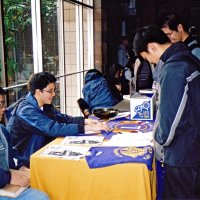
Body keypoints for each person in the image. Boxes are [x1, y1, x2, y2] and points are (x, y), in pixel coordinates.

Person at [133, 25, 200, 199]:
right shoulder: (185, 58)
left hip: (182, 154)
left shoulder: (173, 69)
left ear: (151, 47)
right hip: (190, 147)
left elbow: (170, 121)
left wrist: (157, 139)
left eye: (148, 58)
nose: (152, 63)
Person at [6, 72, 109, 167]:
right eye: (50, 91)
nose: (54, 94)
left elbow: (61, 118)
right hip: (24, 160)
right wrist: (88, 128)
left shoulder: (45, 104)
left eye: (54, 90)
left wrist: (85, 121)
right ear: (38, 92)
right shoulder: (26, 111)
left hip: (41, 148)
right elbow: (52, 128)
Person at [0, 87, 49, 200]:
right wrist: (9, 177)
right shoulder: (26, 109)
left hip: (7, 184)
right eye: (0, 105)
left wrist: (21, 166)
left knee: (42, 195)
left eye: (3, 105)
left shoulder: (2, 130)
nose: (3, 109)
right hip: (5, 181)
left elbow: (12, 153)